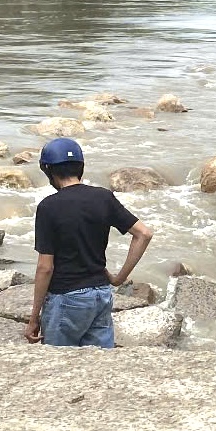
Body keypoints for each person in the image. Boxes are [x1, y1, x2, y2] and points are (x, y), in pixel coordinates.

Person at [25, 138, 154, 347]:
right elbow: (144, 234)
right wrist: (118, 279)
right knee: (99, 366)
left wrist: (33, 318)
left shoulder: (49, 207)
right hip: (100, 295)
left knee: (59, 367)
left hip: (66, 298)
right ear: (80, 167)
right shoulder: (103, 197)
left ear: (49, 170)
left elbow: (45, 267)